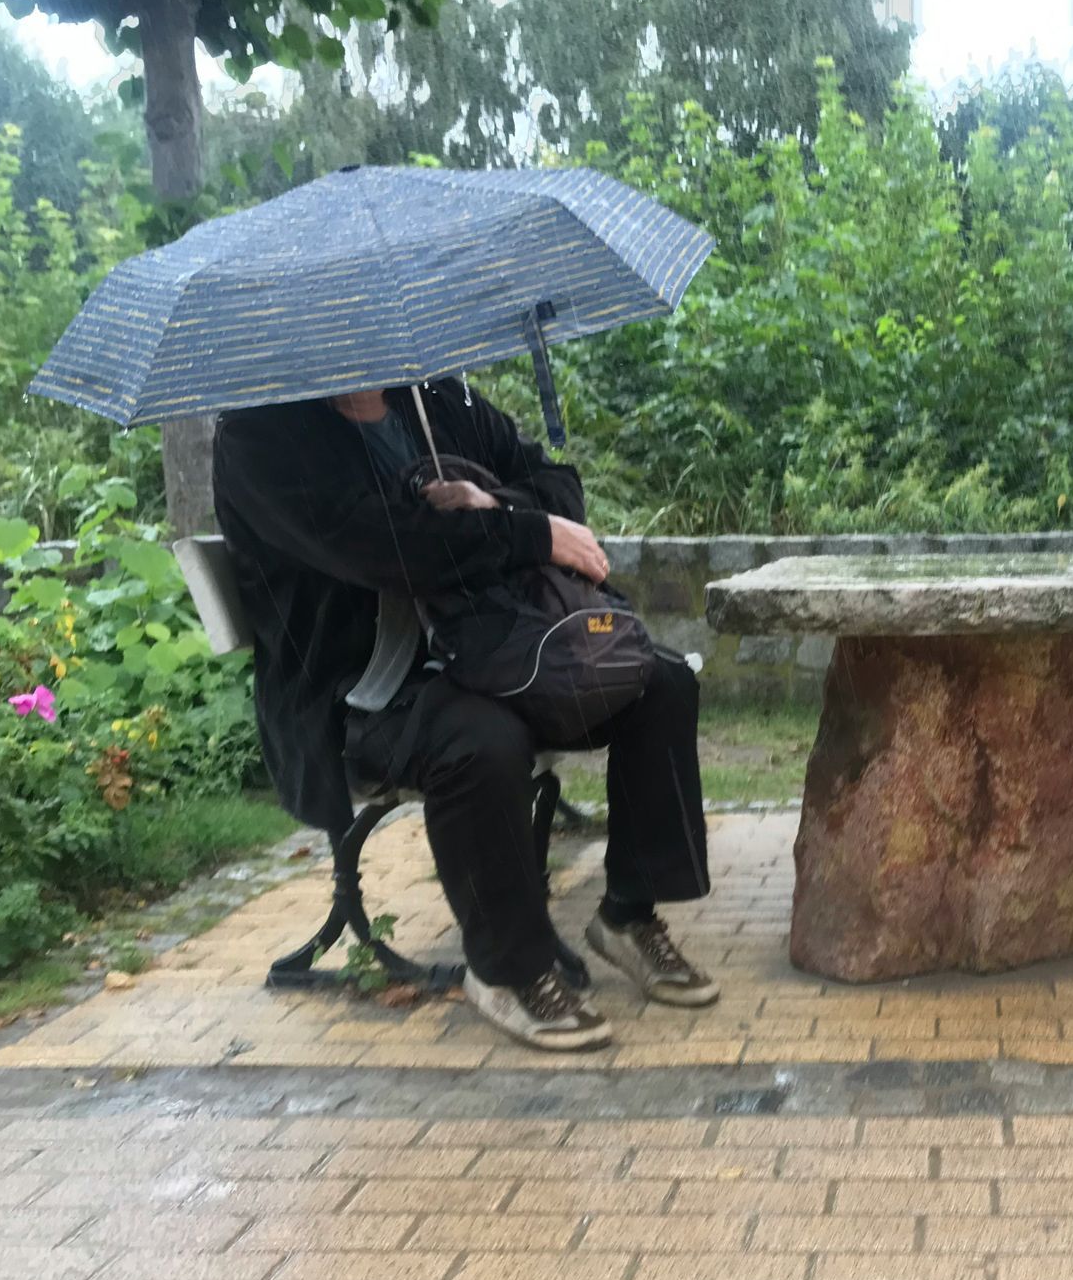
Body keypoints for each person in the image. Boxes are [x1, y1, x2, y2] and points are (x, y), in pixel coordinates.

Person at [214, 379, 718, 1052]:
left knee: (659, 682)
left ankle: (628, 912)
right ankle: (508, 970)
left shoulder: (441, 402)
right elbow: (382, 545)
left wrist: (496, 504)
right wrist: (522, 532)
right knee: (481, 738)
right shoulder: (262, 439)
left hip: (500, 646)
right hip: (363, 689)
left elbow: (556, 486)